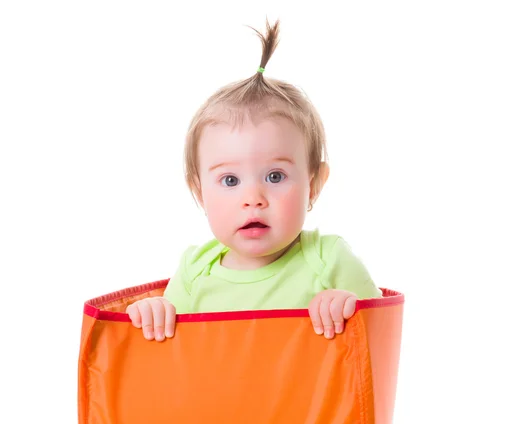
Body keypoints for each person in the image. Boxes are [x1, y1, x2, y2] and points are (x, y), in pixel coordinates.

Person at [126, 17, 382, 343]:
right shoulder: (194, 271)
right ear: (199, 192)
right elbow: (170, 361)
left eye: (275, 176)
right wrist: (154, 315)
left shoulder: (328, 261)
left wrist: (350, 310)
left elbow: (379, 345)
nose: (253, 198)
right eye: (230, 180)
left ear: (314, 185)